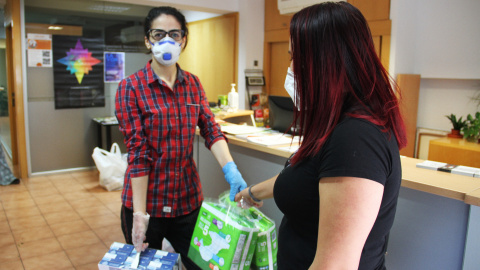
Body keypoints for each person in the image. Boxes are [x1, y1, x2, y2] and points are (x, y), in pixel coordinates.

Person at [235, 2, 407, 270]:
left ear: (325, 61)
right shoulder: (335, 124)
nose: (290, 69)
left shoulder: (356, 139)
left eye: (295, 58)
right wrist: (252, 192)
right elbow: (306, 178)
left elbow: (334, 265)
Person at [115, 6, 247, 269]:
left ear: (184, 39)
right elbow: (138, 153)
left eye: (174, 34)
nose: (167, 40)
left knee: (203, 264)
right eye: (158, 34)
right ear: (147, 39)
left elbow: (211, 130)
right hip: (147, 204)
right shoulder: (130, 87)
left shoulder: (193, 84)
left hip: (187, 202)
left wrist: (231, 170)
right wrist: (140, 215)